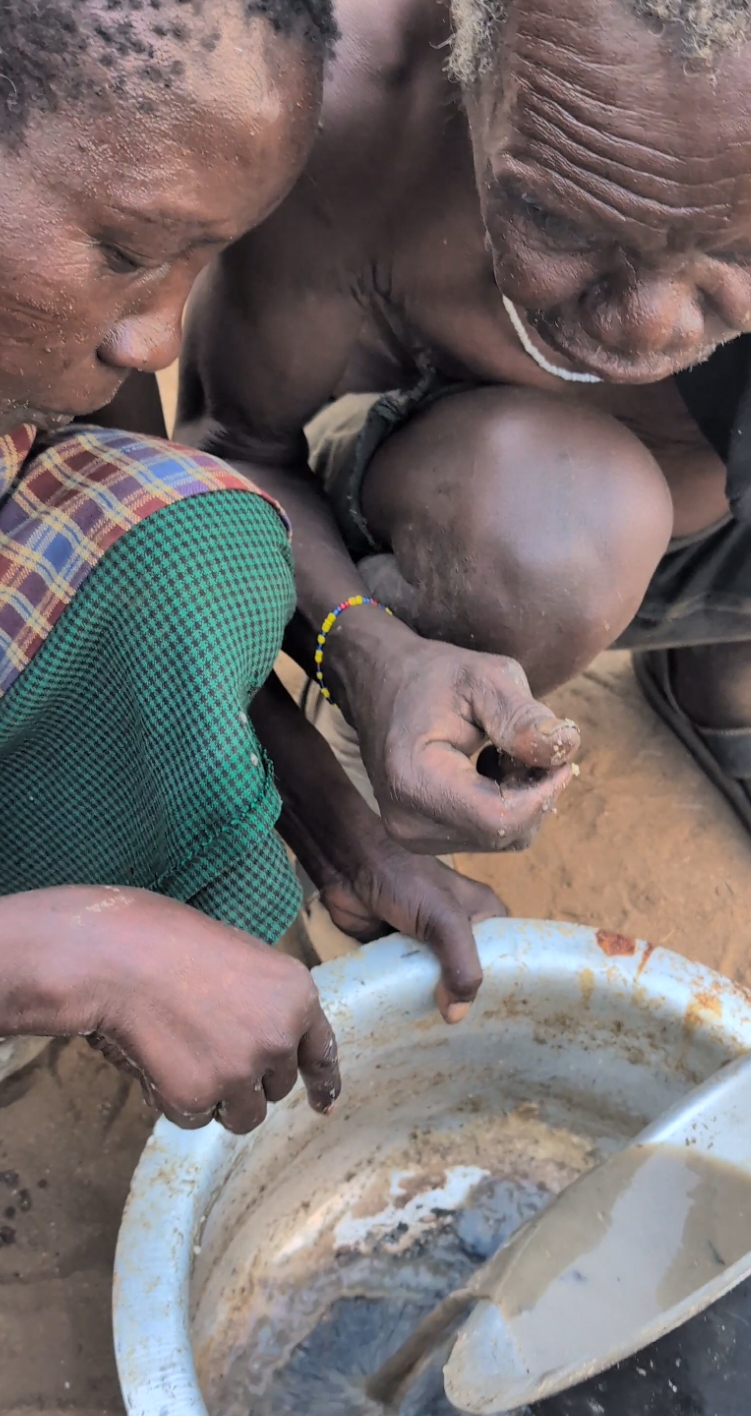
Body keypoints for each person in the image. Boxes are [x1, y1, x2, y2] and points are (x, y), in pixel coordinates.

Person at [178, 0, 751, 1068]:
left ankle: (732, 664)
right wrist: (365, 650)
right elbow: (225, 457)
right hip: (494, 516)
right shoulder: (346, 118)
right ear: (473, 59)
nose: (648, 330)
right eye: (562, 225)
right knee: (560, 533)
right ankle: (417, 714)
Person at [0, 0, 508, 1134]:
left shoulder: (72, 351)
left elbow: (159, 613)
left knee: (177, 541)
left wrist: (343, 835)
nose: (158, 340)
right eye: (128, 252)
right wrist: (74, 955)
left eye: (202, 259)